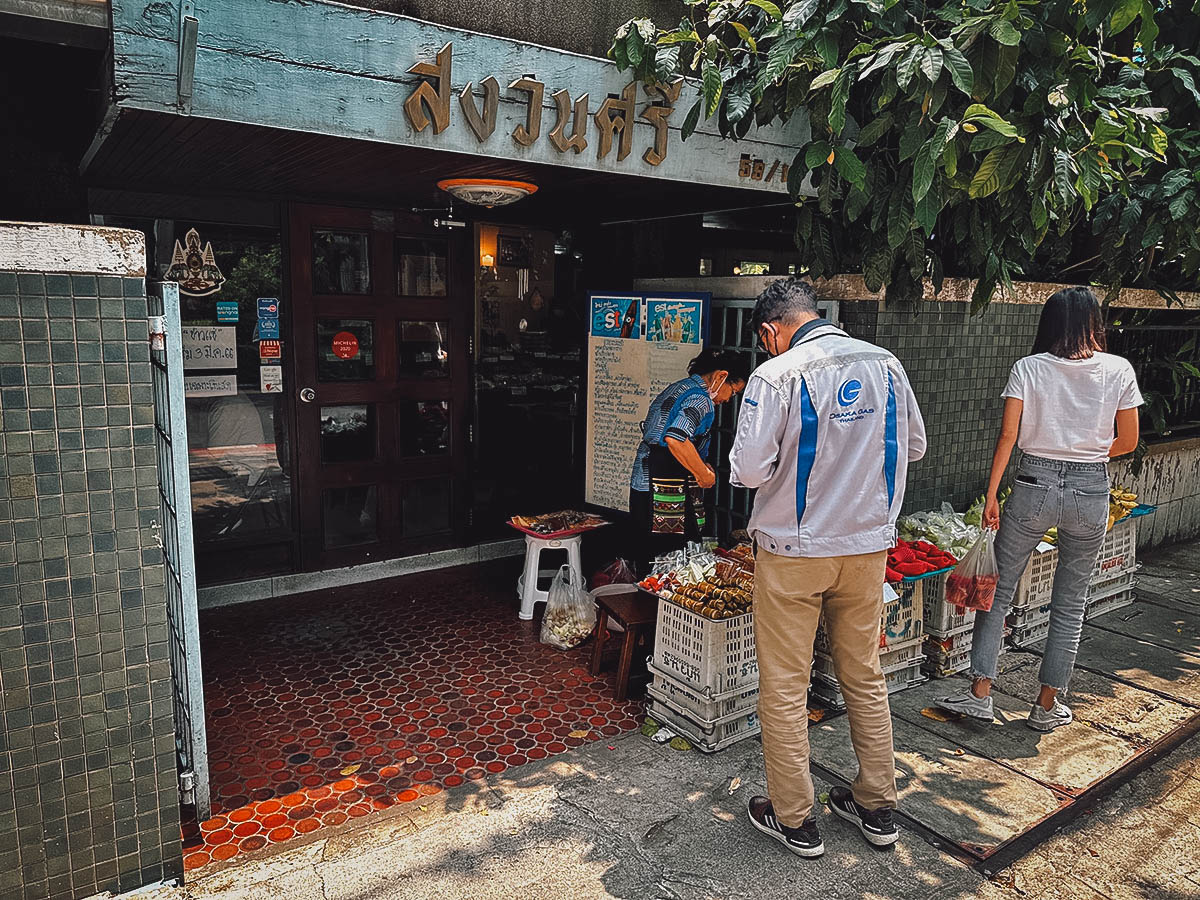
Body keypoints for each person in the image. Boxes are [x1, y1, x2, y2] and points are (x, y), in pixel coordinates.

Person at [730, 277, 926, 858]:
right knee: (863, 674)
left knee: (786, 685)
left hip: (793, 553)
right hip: (866, 550)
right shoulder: (887, 365)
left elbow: (747, 470)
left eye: (766, 340)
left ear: (771, 331)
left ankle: (795, 817)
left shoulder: (777, 374)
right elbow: (913, 447)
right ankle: (876, 806)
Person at [935, 287, 1142, 732]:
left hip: (1033, 485)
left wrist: (992, 494)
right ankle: (1046, 707)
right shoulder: (1118, 370)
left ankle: (979, 695)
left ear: (1048, 324)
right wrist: (1085, 454)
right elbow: (1127, 441)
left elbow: (1008, 436)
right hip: (1091, 489)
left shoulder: (1028, 368)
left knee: (1000, 591)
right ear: (1094, 323)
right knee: (1071, 602)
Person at [628, 348, 750, 574]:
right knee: (669, 562)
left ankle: (645, 602)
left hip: (643, 483)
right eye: (733, 392)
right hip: (663, 485)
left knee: (648, 558)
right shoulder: (701, 400)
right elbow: (675, 438)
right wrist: (703, 476)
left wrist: (699, 464)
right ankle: (658, 607)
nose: (727, 400)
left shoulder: (680, 387)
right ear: (721, 377)